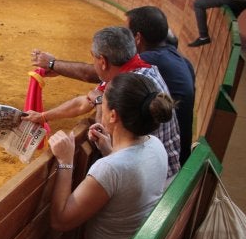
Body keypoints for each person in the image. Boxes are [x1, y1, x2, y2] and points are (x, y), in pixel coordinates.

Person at [47, 72, 174, 239]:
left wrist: (66, 162)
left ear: (113, 116)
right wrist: (108, 148)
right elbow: (128, 171)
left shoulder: (111, 168)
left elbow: (61, 220)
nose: (100, 106)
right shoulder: (155, 145)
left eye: (103, 102)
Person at [25, 26, 181, 180]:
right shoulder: (140, 70)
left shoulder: (125, 87)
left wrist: (99, 100)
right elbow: (82, 104)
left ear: (103, 62)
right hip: (163, 169)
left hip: (153, 180)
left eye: (93, 58)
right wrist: (44, 116)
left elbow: (102, 131)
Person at [125, 6, 195, 165]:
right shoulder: (183, 61)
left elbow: (102, 72)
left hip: (162, 161)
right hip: (180, 153)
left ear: (138, 38)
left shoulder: (146, 60)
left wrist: (54, 64)